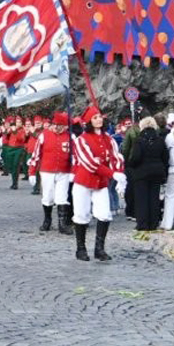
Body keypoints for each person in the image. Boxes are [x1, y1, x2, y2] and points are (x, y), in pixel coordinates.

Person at [72, 105, 125, 261]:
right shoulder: (81, 140)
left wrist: (119, 173)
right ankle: (80, 249)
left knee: (104, 214)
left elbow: (116, 157)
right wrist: (112, 173)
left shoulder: (109, 139)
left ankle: (99, 249)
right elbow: (89, 163)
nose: (99, 120)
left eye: (100, 116)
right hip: (83, 182)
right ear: (89, 121)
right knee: (81, 214)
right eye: (95, 118)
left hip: (100, 183)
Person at [29, 112, 73, 234]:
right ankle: (47, 220)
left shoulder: (70, 137)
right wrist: (32, 172)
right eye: (54, 124)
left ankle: (62, 224)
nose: (56, 127)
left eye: (60, 125)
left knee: (62, 197)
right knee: (47, 196)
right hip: (47, 171)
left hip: (64, 172)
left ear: (65, 126)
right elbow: (36, 154)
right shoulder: (44, 135)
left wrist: (73, 171)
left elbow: (75, 156)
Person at [127, 116, 169, 231]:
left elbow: (136, 157)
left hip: (141, 172)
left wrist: (130, 165)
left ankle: (143, 224)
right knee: (154, 198)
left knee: (141, 199)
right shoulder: (160, 140)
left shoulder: (139, 140)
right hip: (157, 172)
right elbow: (165, 157)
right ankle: (153, 223)